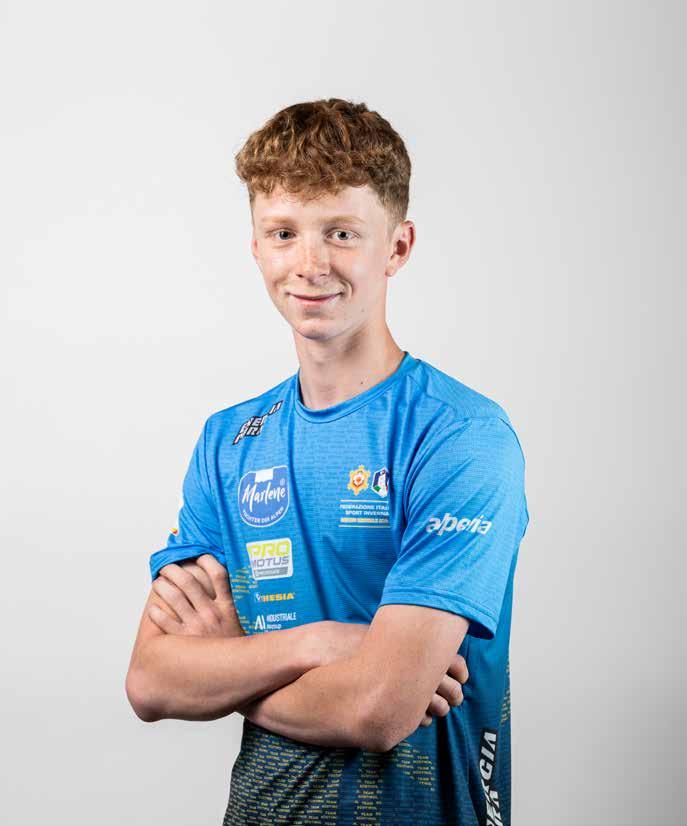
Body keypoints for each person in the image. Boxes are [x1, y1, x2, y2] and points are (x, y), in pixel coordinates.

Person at [125, 97, 529, 826]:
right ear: (256, 247)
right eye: (283, 233)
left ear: (397, 248)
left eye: (341, 233)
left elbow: (378, 710)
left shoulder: (460, 436)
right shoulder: (229, 442)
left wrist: (231, 662)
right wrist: (321, 644)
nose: (309, 265)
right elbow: (152, 682)